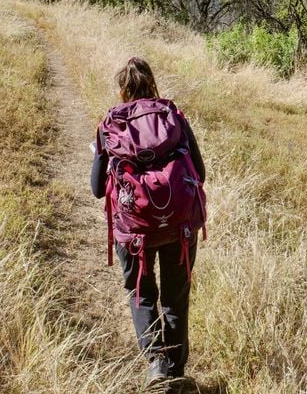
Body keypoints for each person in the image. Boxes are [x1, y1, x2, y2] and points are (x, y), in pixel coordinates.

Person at [90, 56, 206, 387]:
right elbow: (200, 173)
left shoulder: (109, 125)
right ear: (152, 83)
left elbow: (98, 190)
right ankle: (177, 372)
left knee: (141, 293)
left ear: (122, 89)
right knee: (175, 296)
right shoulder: (174, 117)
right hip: (179, 227)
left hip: (133, 229)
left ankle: (156, 363)